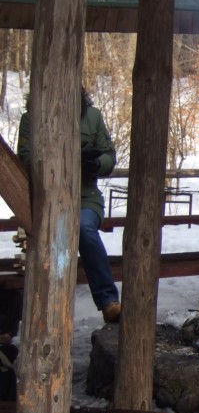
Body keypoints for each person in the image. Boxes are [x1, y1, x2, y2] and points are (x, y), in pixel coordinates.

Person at [17, 87, 121, 323]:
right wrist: (58, 159)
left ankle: (108, 301)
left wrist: (95, 163)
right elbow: (25, 156)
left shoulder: (92, 116)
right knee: (52, 236)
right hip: (47, 199)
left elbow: (109, 156)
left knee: (83, 228)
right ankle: (48, 311)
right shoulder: (30, 118)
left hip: (86, 197)